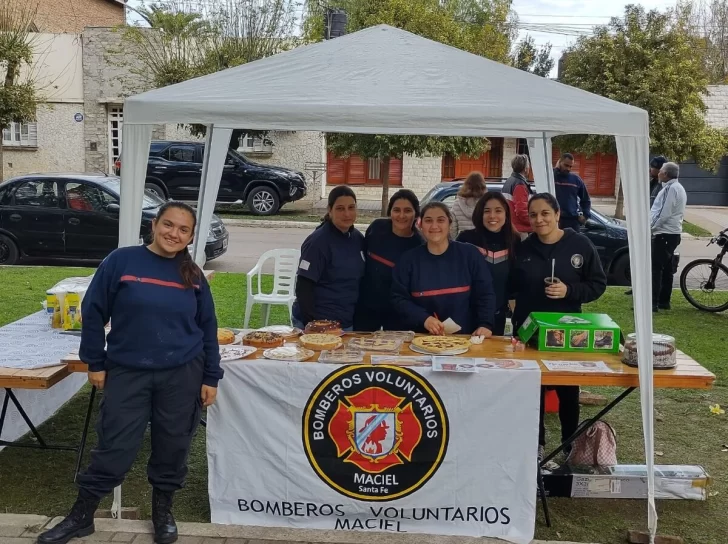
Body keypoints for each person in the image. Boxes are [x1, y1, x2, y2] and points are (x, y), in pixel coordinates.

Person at [38, 202, 223, 544]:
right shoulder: (121, 262)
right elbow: (91, 311)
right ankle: (82, 515)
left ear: (192, 236)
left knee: (173, 445)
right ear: (155, 224)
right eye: (168, 225)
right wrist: (95, 361)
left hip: (182, 374)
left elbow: (207, 327)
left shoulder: (193, 276)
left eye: (184, 230)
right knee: (114, 446)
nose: (174, 234)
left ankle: (163, 512)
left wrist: (211, 377)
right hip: (128, 372)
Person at [510, 193, 607, 461]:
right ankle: (537, 443)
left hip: (567, 333)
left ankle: (569, 444)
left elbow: (598, 284)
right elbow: (512, 283)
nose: (539, 219)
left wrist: (569, 290)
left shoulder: (580, 244)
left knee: (567, 390)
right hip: (530, 332)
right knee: (534, 390)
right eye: (533, 215)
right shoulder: (524, 248)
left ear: (556, 215)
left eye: (544, 213)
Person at [392, 202, 496, 336]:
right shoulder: (408, 260)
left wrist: (485, 324)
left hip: (465, 339)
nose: (434, 226)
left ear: (450, 223)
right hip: (420, 339)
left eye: (440, 220)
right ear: (420, 225)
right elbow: (398, 298)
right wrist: (424, 318)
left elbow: (485, 293)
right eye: (428, 220)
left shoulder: (470, 255)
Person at [292, 186, 365, 331]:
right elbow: (303, 286)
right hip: (318, 324)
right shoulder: (317, 242)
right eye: (340, 208)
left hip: (346, 323)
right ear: (329, 210)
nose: (347, 213)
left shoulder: (358, 238)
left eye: (351, 207)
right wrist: (313, 325)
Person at [354, 190, 424, 331]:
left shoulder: (419, 245)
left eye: (408, 211)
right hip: (366, 307)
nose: (401, 215)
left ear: (416, 214)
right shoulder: (376, 228)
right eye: (396, 210)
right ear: (390, 212)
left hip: (398, 314)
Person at [457, 192, 521, 335]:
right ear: (480, 214)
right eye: (487, 211)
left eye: (498, 211)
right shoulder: (466, 239)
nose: (492, 216)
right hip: (465, 315)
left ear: (506, 214)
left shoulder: (514, 241)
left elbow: (514, 284)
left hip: (497, 316)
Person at [625, 155, 668, 296]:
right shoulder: (652, 183)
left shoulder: (663, 186)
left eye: (653, 168)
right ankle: (637, 287)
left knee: (653, 264)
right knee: (640, 261)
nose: (650, 169)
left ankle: (652, 293)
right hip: (644, 227)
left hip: (654, 230)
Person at [650, 162, 687, 312]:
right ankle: (664, 301)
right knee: (666, 269)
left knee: (656, 269)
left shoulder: (670, 189)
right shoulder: (678, 188)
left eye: (660, 172)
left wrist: (650, 228)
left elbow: (662, 213)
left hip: (664, 234)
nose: (658, 173)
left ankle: (653, 303)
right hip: (672, 234)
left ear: (665, 174)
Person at [553, 153, 592, 230]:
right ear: (559, 162)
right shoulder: (552, 177)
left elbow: (586, 200)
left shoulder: (576, 180)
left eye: (570, 166)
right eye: (566, 165)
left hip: (572, 221)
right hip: (554, 220)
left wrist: (585, 215)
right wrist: (556, 169)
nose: (568, 169)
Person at [449, 171, 487, 238]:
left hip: (463, 242)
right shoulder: (486, 203)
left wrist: (453, 243)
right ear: (482, 185)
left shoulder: (457, 203)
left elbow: (453, 229)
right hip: (481, 243)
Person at [502, 154, 533, 234]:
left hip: (511, 227)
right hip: (521, 229)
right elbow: (522, 211)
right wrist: (534, 221)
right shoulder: (520, 185)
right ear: (526, 168)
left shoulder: (509, 181)